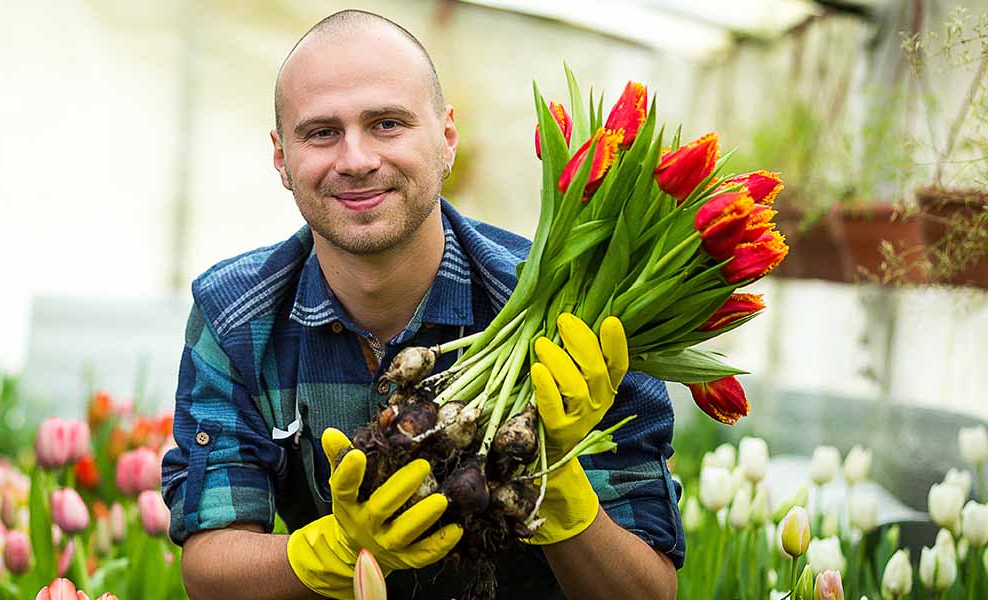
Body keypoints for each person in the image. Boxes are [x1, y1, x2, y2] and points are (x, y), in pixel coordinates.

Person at [161, 9, 682, 599]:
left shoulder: (575, 310)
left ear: (447, 139)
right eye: (322, 132)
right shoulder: (235, 315)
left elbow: (650, 592)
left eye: (387, 124)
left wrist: (556, 485)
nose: (355, 159)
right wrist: (330, 551)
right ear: (282, 158)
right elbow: (209, 570)